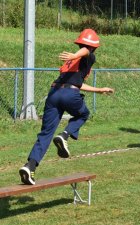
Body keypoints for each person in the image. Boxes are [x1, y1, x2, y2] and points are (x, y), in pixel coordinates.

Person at [19, 29, 115, 185]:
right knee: (83, 114)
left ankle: (29, 167)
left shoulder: (73, 62)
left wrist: (99, 89)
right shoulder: (86, 55)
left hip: (54, 93)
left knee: (45, 134)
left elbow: (77, 83)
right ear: (94, 47)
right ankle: (64, 136)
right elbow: (86, 50)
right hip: (68, 94)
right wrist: (76, 54)